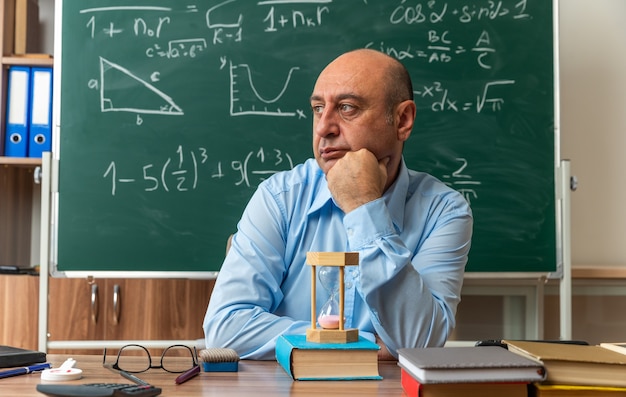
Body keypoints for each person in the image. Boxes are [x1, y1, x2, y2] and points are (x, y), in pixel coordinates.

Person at [203, 48, 473, 360]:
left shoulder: (444, 211)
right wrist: (364, 344)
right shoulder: (279, 197)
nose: (323, 128)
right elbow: (226, 330)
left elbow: (417, 343)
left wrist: (363, 207)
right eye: (318, 109)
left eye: (347, 108)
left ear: (402, 120)